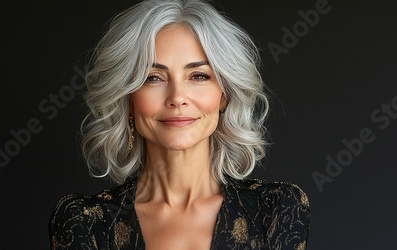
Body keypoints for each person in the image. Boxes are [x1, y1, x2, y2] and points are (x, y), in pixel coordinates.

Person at [49, 0, 310, 249]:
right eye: (153, 78)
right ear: (127, 98)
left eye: (198, 76)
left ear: (225, 95)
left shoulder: (277, 209)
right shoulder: (83, 221)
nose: (177, 98)